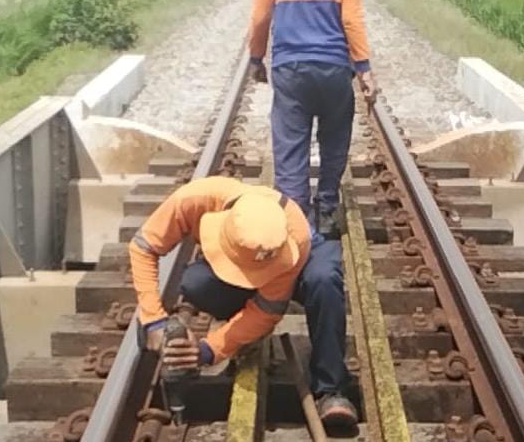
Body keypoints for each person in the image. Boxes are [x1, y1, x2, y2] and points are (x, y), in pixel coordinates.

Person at [130, 176, 358, 428]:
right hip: (264, 264)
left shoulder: (295, 235)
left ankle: (330, 387)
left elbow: (267, 311)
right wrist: (153, 320)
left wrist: (208, 350)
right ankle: (243, 334)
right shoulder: (193, 199)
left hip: (302, 263)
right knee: (197, 283)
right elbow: (143, 247)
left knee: (324, 281)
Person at [246, 0, 375, 236]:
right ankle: (327, 208)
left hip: (290, 67)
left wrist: (256, 58)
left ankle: (295, 221)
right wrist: (363, 68)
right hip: (334, 67)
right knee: (334, 138)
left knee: (290, 141)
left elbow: (260, 17)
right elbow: (351, 18)